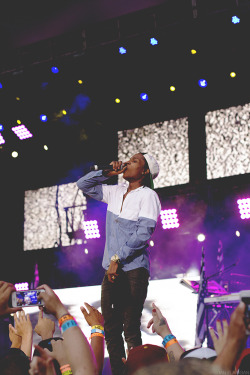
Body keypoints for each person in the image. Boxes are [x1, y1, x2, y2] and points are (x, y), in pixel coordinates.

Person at [77, 152, 161, 375]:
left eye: (134, 161)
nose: (127, 162)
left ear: (144, 172)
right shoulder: (115, 191)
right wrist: (107, 172)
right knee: (111, 329)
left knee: (130, 327)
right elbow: (83, 184)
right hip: (111, 269)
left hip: (133, 269)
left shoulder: (148, 196)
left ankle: (137, 372)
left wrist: (117, 258)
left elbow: (143, 234)